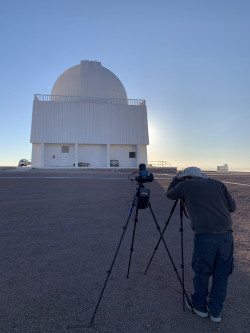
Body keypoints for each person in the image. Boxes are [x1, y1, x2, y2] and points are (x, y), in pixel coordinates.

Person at [166, 167, 236, 323]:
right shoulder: (218, 183)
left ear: (186, 177)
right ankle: (216, 311)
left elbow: (170, 193)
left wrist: (176, 178)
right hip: (227, 235)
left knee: (202, 271)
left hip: (205, 235)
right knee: (222, 274)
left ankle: (199, 305)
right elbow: (232, 207)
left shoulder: (186, 185)